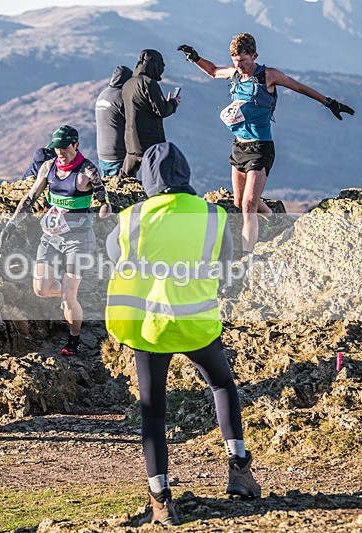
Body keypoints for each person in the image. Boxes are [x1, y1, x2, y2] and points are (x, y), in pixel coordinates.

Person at [105, 142, 260, 526]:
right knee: (222, 385)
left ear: (147, 179)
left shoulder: (130, 218)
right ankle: (239, 470)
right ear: (185, 174)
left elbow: (115, 257)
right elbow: (225, 265)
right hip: (197, 323)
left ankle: (161, 499)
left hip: (150, 327)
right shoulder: (213, 214)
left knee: (153, 410)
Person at [178, 33, 354, 255]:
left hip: (260, 147)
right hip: (239, 147)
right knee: (240, 201)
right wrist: (195, 58)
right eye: (235, 60)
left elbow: (298, 87)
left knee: (249, 207)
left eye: (243, 60)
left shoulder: (268, 75)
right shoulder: (234, 75)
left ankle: (247, 255)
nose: (238, 65)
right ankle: (275, 219)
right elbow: (213, 71)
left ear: (254, 55)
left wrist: (329, 103)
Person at [0, 125, 111, 356]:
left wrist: (104, 207)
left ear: (76, 145)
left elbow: (103, 197)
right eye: (57, 148)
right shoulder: (48, 167)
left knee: (69, 295)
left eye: (65, 147)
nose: (60, 152)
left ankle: (74, 339)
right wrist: (12, 223)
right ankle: (70, 303)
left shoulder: (87, 171)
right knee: (41, 289)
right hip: (50, 237)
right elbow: (30, 197)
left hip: (78, 240)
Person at [121, 50, 180, 180]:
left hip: (131, 141)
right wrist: (173, 103)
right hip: (150, 143)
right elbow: (162, 111)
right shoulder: (149, 83)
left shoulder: (128, 84)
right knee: (159, 179)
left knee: (125, 179)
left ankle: (120, 199)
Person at [95, 65, 133, 179]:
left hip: (102, 152)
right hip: (118, 153)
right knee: (122, 190)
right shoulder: (121, 97)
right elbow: (134, 120)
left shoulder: (103, 95)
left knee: (108, 188)